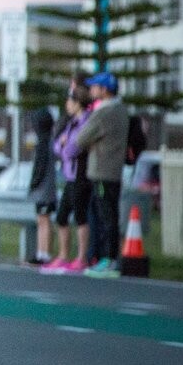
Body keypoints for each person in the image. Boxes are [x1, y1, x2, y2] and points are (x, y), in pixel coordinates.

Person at [73, 71, 131, 275]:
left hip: (102, 171)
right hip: (114, 171)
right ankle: (108, 258)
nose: (91, 90)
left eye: (95, 86)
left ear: (104, 89)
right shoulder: (121, 110)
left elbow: (81, 138)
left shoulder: (104, 112)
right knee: (110, 214)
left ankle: (109, 260)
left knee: (106, 217)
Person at [43, 87, 93, 273]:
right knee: (62, 216)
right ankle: (63, 256)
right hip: (69, 176)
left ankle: (81, 257)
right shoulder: (72, 122)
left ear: (78, 103)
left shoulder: (86, 122)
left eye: (70, 101)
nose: (67, 105)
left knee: (80, 216)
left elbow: (73, 148)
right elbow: (58, 146)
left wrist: (64, 147)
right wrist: (63, 146)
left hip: (81, 175)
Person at [27, 101, 60, 266]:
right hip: (47, 188)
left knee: (44, 220)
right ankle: (41, 252)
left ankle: (44, 253)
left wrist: (33, 183)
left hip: (43, 189)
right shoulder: (49, 141)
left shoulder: (44, 143)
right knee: (42, 220)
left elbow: (39, 168)